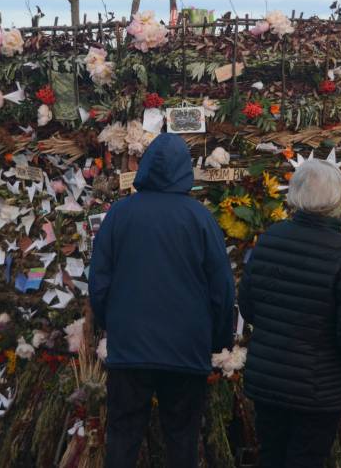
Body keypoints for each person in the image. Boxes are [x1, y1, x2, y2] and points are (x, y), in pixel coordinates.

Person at [89, 134, 235, 468]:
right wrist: (218, 340)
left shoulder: (120, 214)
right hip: (186, 348)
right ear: (185, 170)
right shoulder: (199, 218)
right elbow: (222, 288)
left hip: (130, 349)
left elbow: (98, 282)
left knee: (123, 438)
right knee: (182, 439)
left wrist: (110, 325)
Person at [239, 160, 341, 466]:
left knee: (271, 456)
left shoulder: (270, 239)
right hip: (319, 387)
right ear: (339, 198)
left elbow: (248, 305)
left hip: (269, 378)